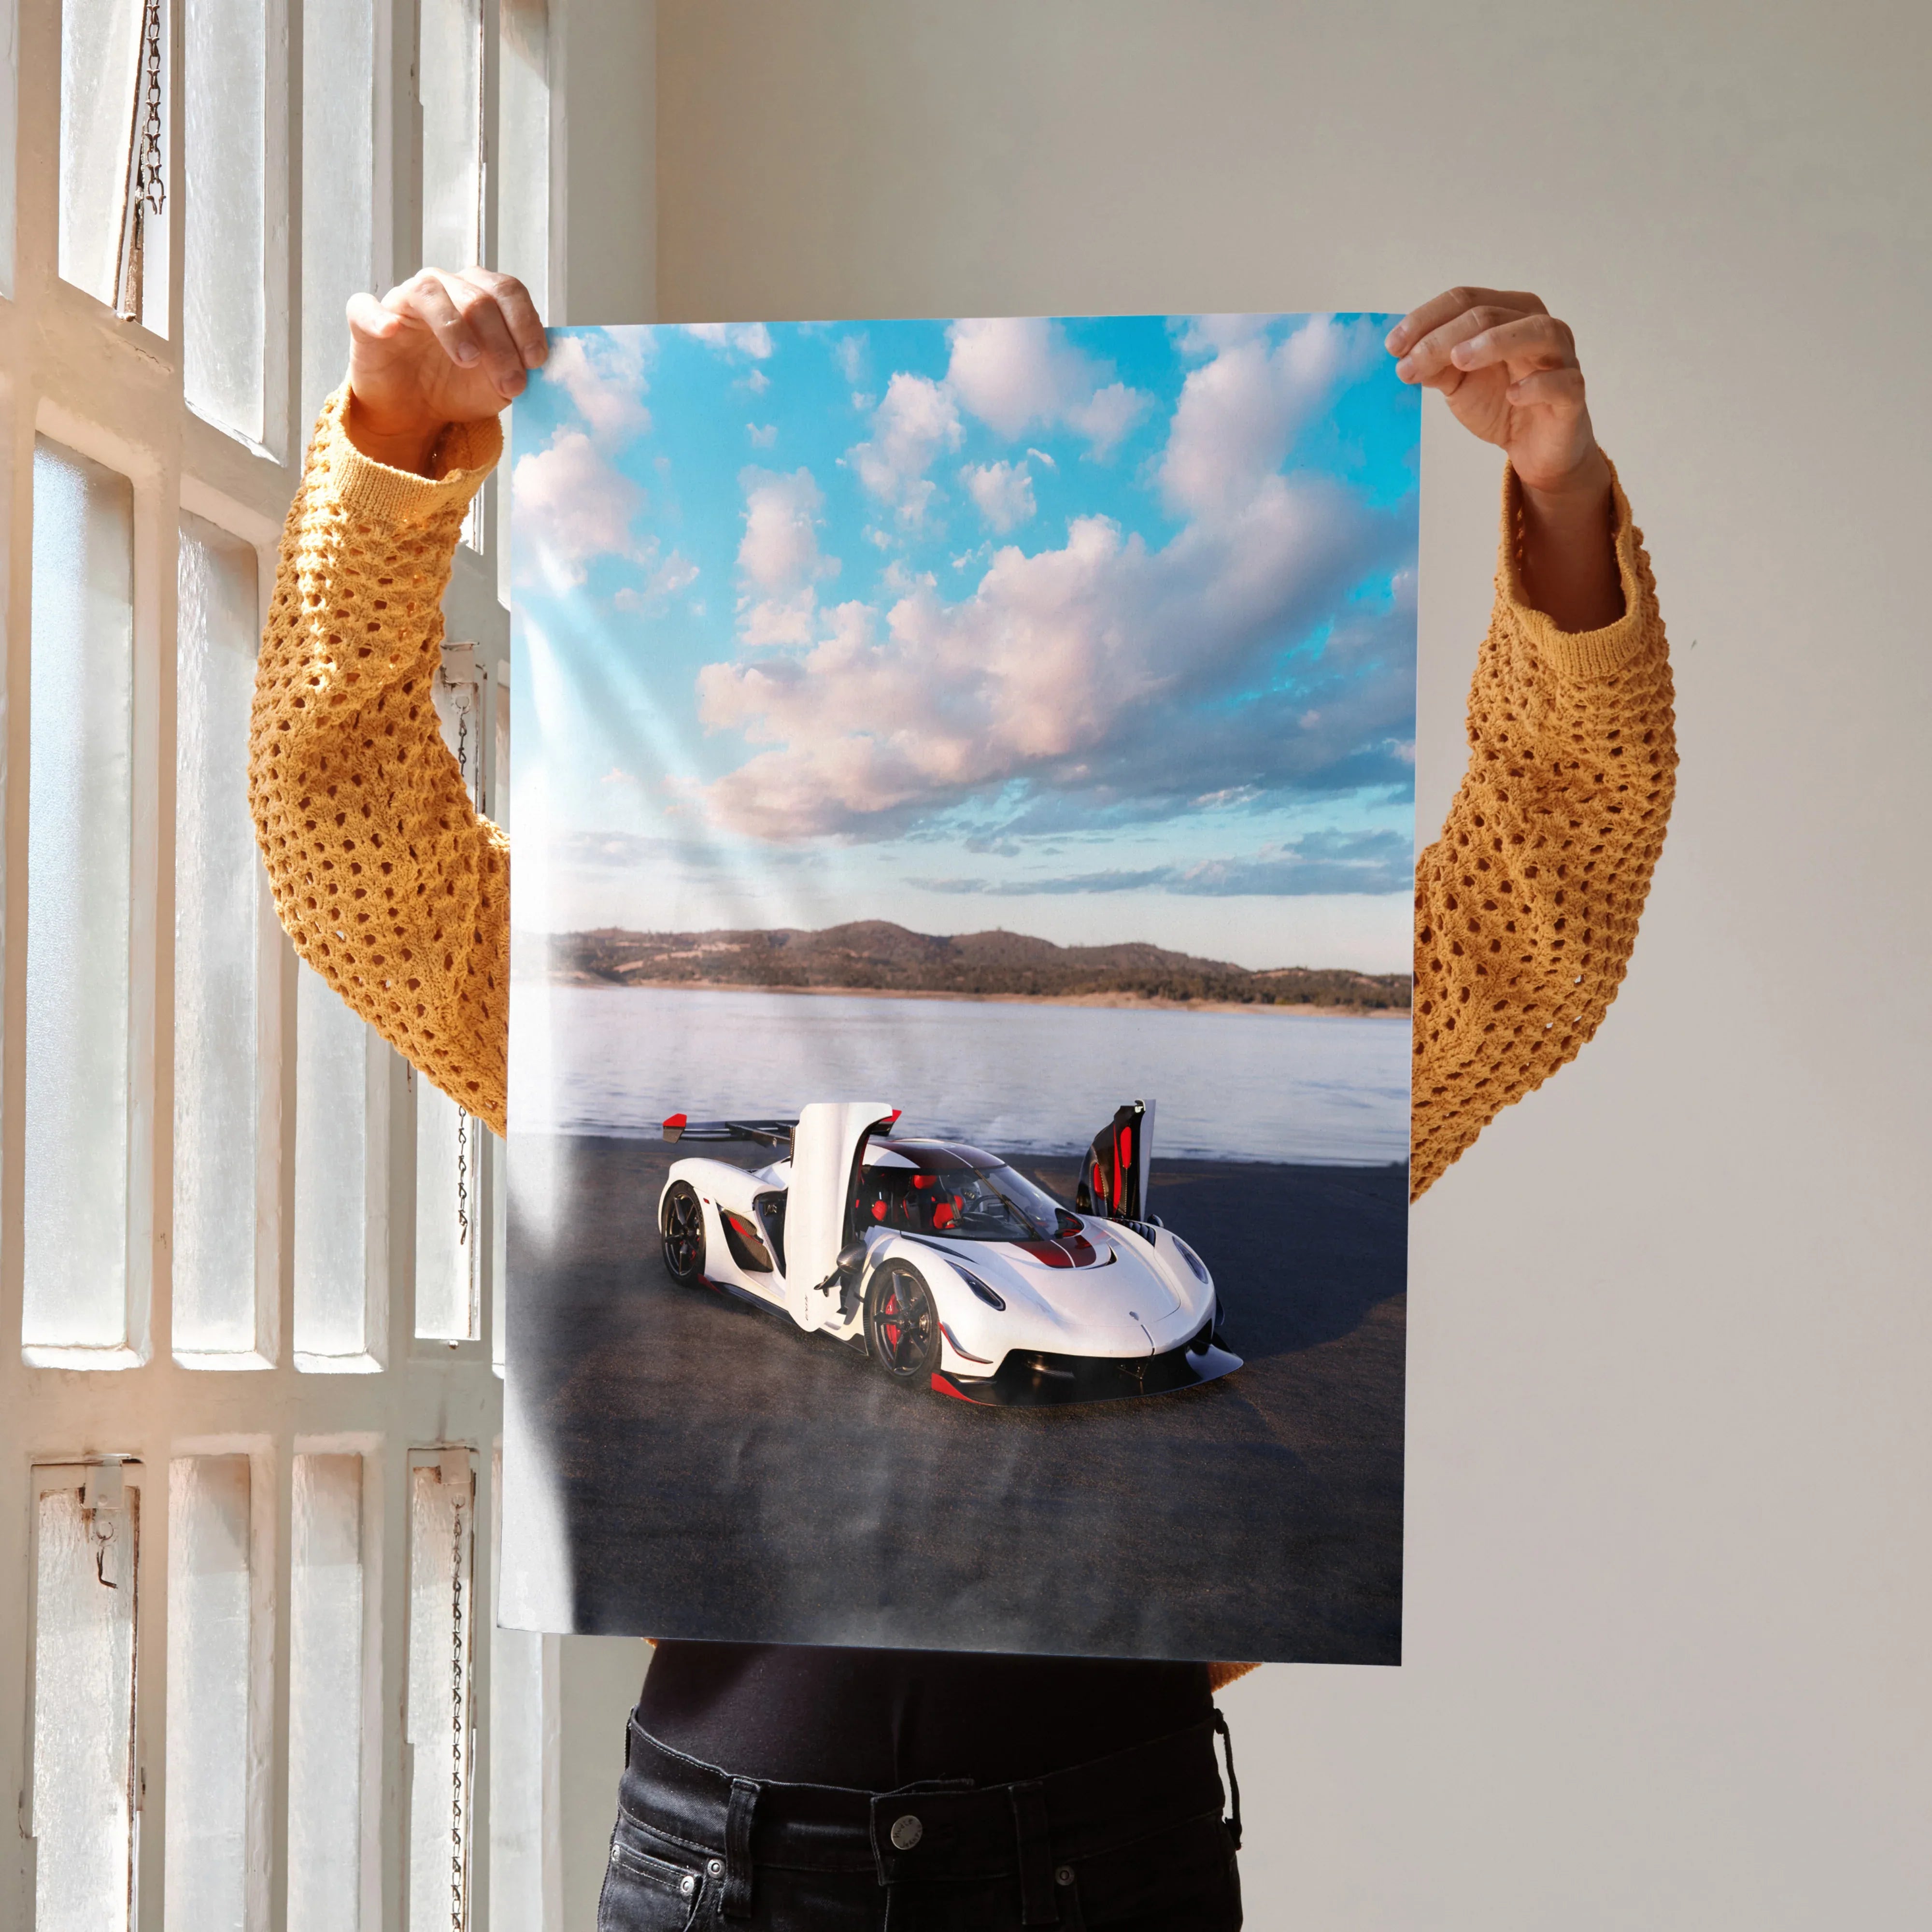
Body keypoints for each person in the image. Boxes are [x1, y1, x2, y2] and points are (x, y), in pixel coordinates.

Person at [250, 272, 1675, 1930]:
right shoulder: (578, 1021)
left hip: (1107, 1846)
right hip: (729, 1863)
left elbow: (1545, 911)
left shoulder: (1100, 1189)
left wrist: (1560, 498)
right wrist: (392, 449)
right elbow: (344, 840)